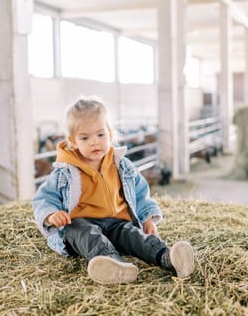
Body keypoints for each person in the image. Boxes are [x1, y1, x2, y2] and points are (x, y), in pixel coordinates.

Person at [32, 96, 195, 284]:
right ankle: (111, 263)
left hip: (116, 222)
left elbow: (139, 194)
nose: (94, 142)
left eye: (100, 135)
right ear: (73, 141)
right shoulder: (65, 171)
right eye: (85, 138)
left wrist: (147, 218)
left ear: (110, 134)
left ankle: (168, 258)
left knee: (135, 236)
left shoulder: (121, 165)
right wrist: (52, 214)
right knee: (82, 232)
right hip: (82, 222)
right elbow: (44, 198)